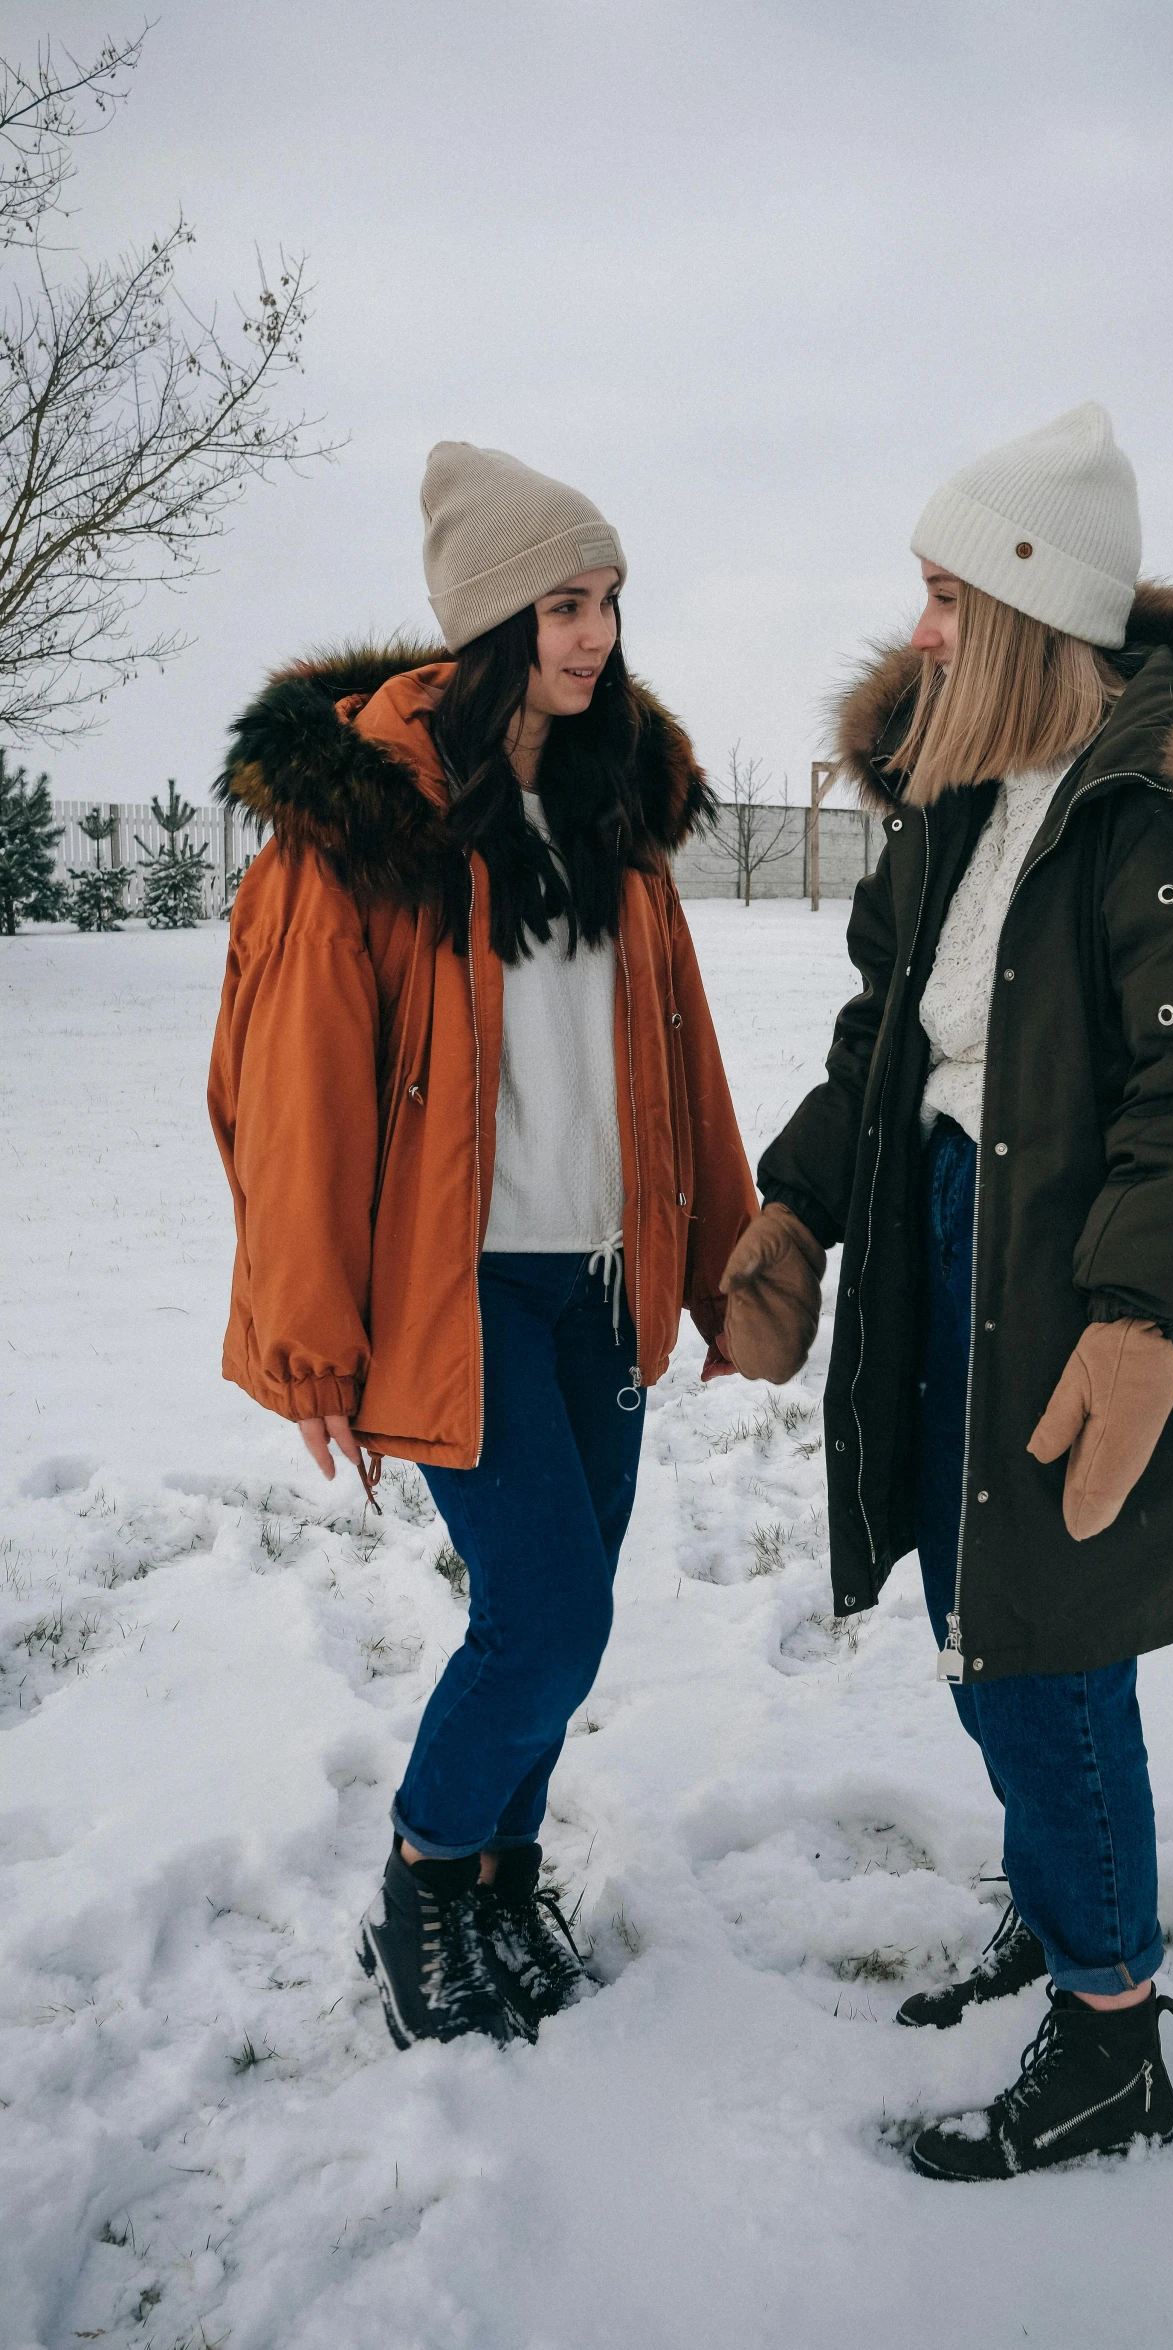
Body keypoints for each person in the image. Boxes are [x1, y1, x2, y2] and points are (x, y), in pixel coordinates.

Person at [722, 402, 1173, 2177]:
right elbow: (887, 1035)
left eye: (939, 595)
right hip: (946, 1228)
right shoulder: (958, 789)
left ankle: (1105, 2036)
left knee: (1043, 1641)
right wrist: (799, 1204)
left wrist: (1142, 1319)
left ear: (1018, 607)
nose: (914, 631)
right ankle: (1062, 1900)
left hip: (1074, 1268)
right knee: (976, 1593)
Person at [210, 443, 756, 2050]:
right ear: (481, 626)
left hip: (601, 1275)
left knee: (560, 1603)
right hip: (455, 1290)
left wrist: (720, 1264)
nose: (592, 636)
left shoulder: (611, 806)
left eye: (606, 602)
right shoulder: (370, 828)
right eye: (561, 606)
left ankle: (500, 1877)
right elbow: (298, 1105)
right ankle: (422, 1880)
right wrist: (308, 1340)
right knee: (546, 1611)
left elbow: (679, 1055)